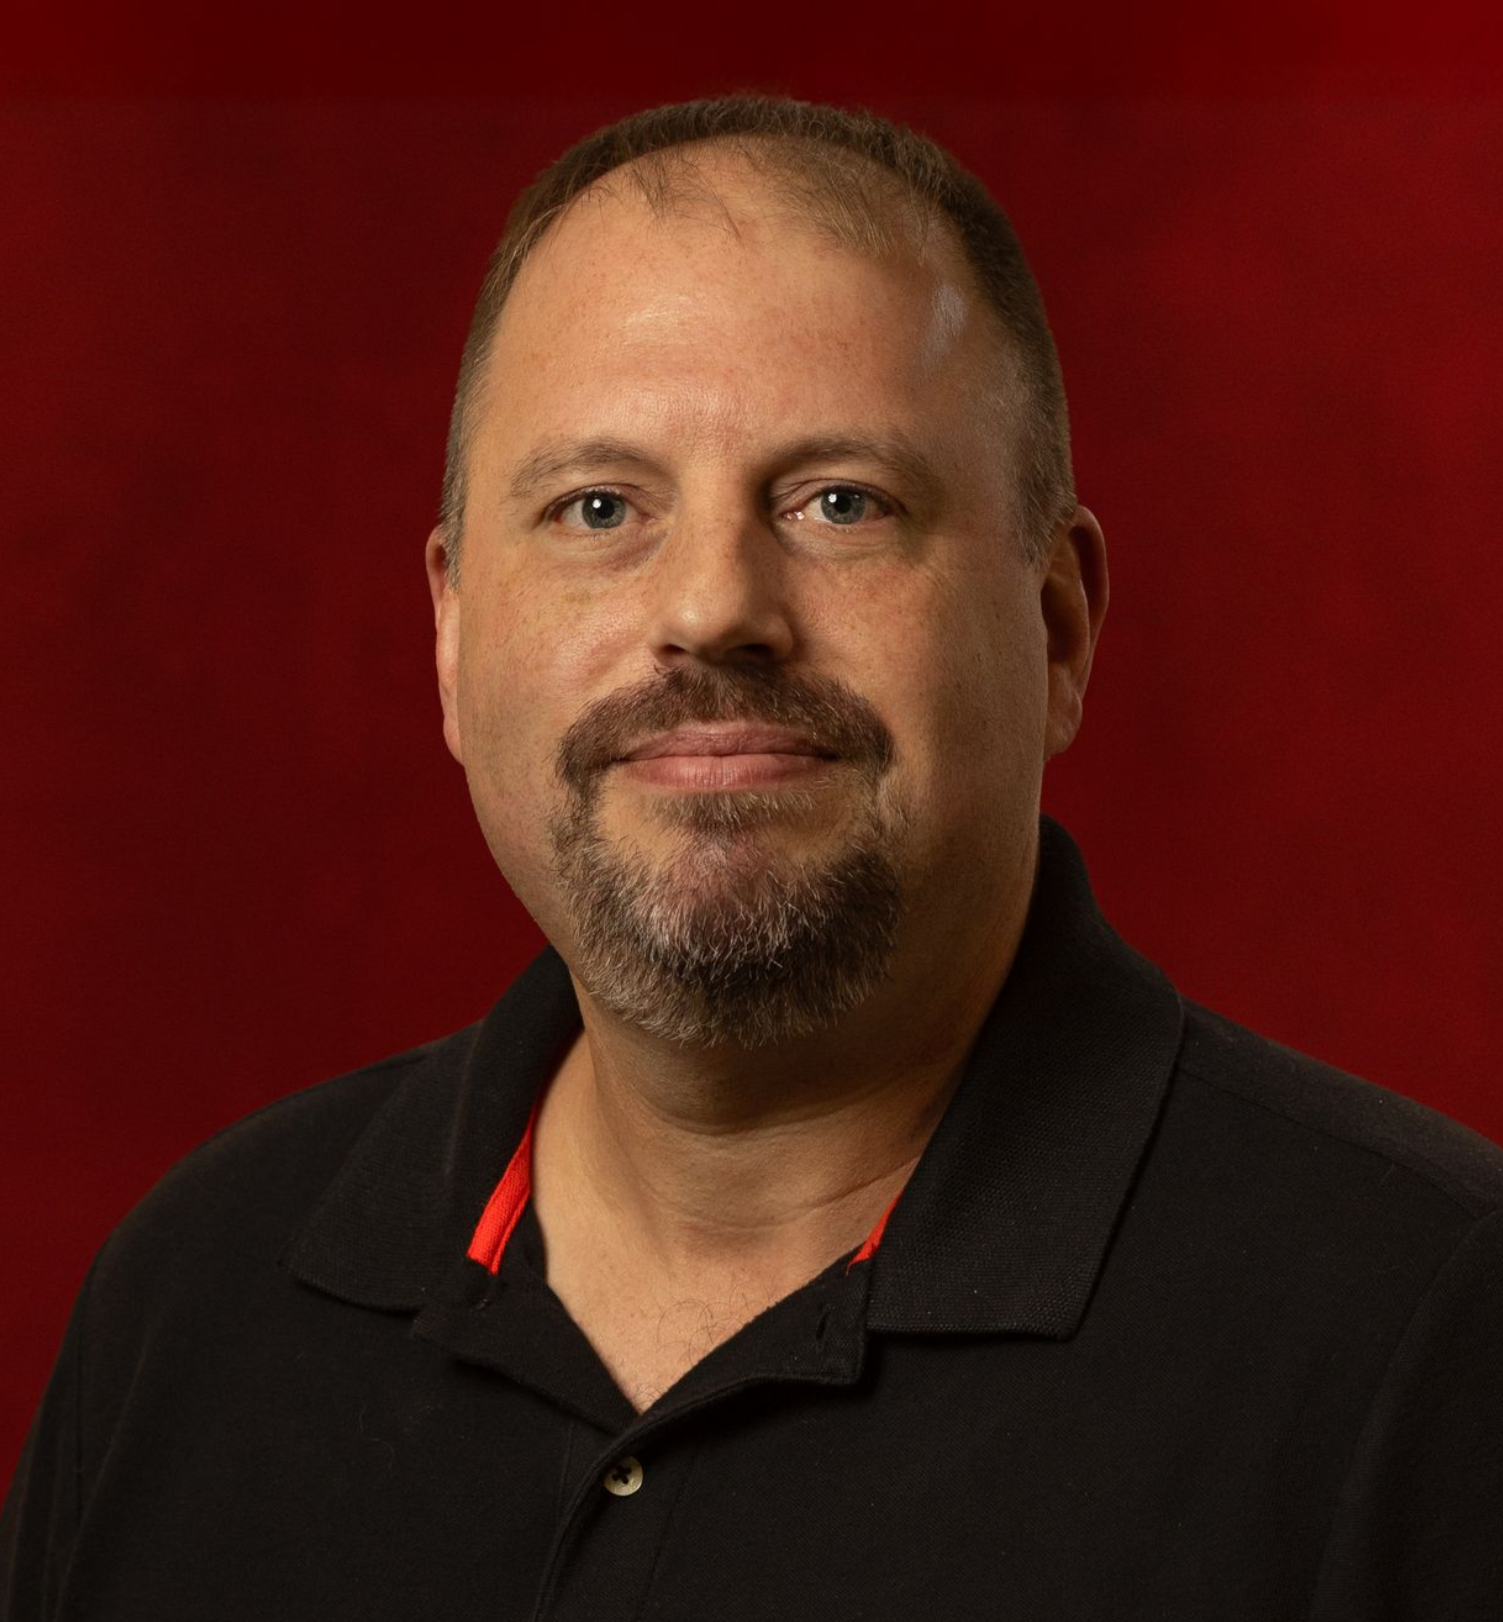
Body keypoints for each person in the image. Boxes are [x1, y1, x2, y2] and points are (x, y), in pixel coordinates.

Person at [3, 93, 1500, 1620]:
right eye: (598, 507)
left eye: (839, 502)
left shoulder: (1432, 1341)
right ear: (453, 637)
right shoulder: (194, 1302)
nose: (715, 605)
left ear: (1055, 624)